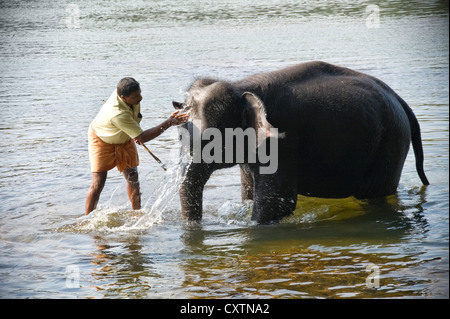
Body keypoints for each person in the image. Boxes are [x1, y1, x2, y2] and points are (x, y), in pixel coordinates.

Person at [85, 77, 188, 215]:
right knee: (98, 182)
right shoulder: (117, 113)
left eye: (140, 93)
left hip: (125, 136)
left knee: (133, 177)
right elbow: (142, 138)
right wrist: (169, 122)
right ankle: (87, 219)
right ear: (123, 97)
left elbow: (139, 135)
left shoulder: (126, 92)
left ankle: (136, 214)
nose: (141, 98)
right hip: (102, 138)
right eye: (135, 96)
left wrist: (136, 133)